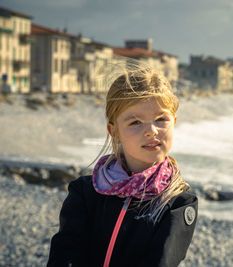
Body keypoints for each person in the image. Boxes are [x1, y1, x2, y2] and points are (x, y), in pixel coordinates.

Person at [47, 61, 198, 267]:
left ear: (174, 121)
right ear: (114, 131)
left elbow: (161, 261)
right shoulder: (85, 192)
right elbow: (65, 255)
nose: (151, 130)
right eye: (135, 122)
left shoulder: (178, 203)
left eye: (161, 119)